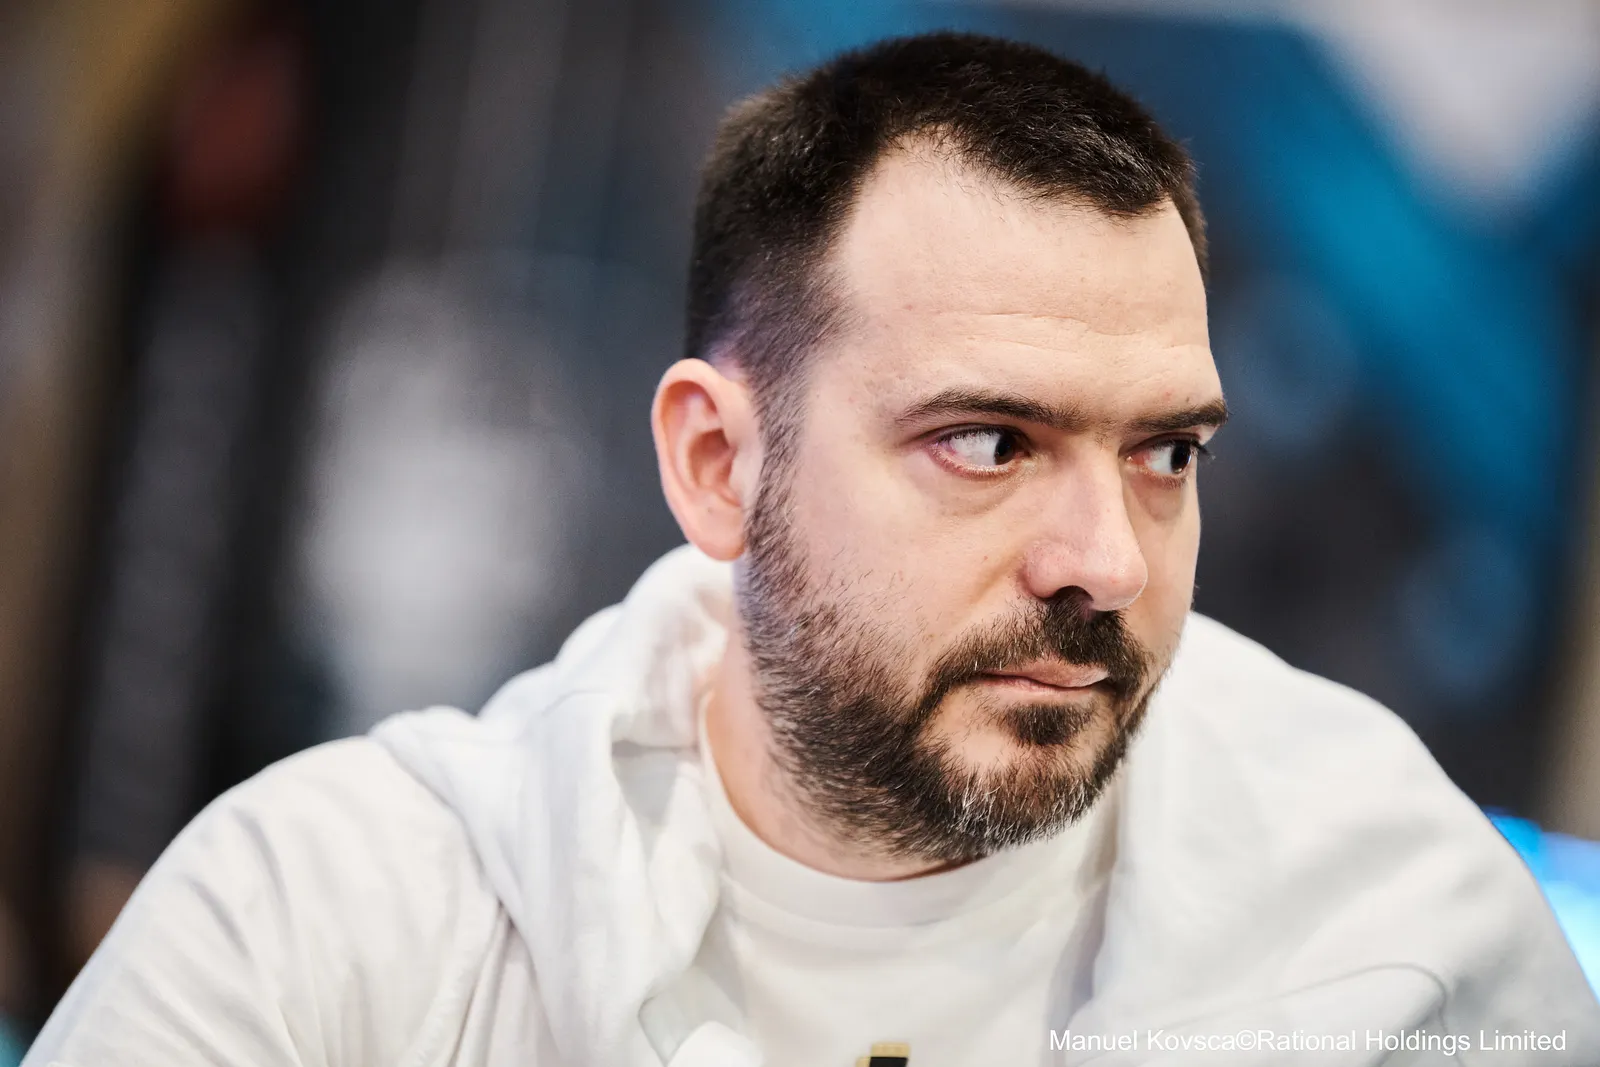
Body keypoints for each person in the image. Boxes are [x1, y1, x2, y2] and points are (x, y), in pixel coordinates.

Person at [25, 32, 1599, 1067]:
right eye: (988, 443)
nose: (1106, 561)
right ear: (719, 464)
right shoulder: (338, 930)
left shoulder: (1390, 930)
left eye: (1165, 454)